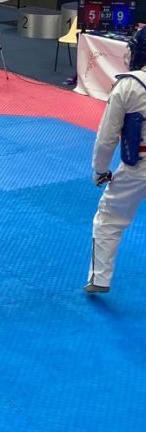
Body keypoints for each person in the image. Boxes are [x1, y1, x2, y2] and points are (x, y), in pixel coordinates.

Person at [84, 27, 146, 293]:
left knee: (109, 219)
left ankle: (99, 279)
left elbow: (107, 137)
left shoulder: (130, 85)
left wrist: (100, 170)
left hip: (138, 167)